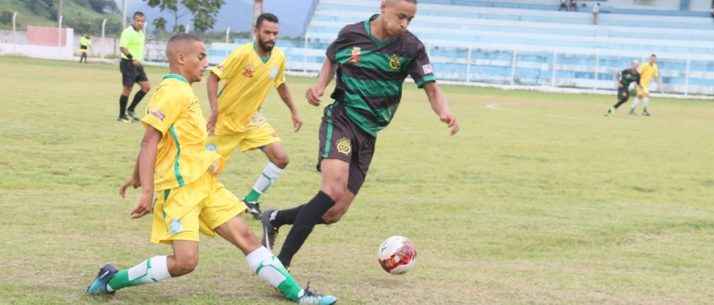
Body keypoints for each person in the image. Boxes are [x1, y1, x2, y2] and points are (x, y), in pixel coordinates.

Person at [84, 33, 337, 305]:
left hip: (204, 183)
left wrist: (135, 175)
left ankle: (299, 295)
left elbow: (159, 141)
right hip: (179, 190)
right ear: (181, 59)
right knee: (185, 262)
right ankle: (111, 279)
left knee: (247, 237)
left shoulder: (184, 91)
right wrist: (146, 190)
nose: (206, 63)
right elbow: (150, 140)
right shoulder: (171, 92)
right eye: (201, 56)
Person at [259, 0, 459, 269]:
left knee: (333, 213)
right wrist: (319, 86)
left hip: (369, 134)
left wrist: (444, 112)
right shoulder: (352, 34)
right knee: (331, 190)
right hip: (341, 119)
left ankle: (275, 218)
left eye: (410, 20)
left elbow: (431, 88)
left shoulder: (411, 47)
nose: (404, 24)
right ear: (383, 6)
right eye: (401, 16)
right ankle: (280, 266)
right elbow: (332, 57)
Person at [206, 13, 302, 219]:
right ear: (256, 31)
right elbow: (213, 77)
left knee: (281, 158)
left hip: (252, 120)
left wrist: (294, 111)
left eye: (275, 33)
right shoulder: (242, 54)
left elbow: (281, 84)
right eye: (267, 32)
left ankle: (250, 200)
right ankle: (169, 197)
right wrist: (214, 110)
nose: (271, 37)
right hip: (225, 121)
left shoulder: (279, 57)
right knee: (206, 171)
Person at [118, 11, 151, 123]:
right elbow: (123, 48)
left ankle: (131, 109)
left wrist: (138, 60)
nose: (140, 23)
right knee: (127, 89)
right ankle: (121, 115)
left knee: (146, 87)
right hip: (128, 63)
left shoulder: (141, 33)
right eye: (138, 20)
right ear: (133, 20)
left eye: (142, 21)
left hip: (138, 65)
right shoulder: (127, 32)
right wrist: (132, 58)